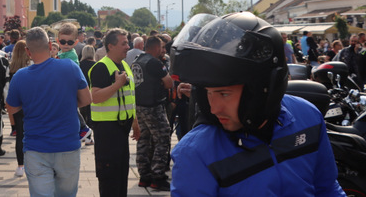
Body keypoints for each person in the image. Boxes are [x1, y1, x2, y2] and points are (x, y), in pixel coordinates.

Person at [170, 12, 345, 196]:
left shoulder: (307, 116)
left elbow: (327, 188)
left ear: (262, 89)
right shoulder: (195, 153)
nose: (214, 108)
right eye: (208, 93)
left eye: (224, 94)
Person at [6, 27, 91, 196]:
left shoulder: (20, 76)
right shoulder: (70, 67)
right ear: (51, 45)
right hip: (67, 145)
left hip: (36, 147)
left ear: (28, 51)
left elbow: (12, 108)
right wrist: (65, 101)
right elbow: (86, 99)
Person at [88, 28, 140, 197]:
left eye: (128, 43)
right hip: (107, 131)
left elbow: (128, 97)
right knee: (109, 178)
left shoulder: (124, 65)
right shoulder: (101, 67)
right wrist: (117, 85)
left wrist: (135, 122)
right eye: (124, 43)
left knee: (121, 175)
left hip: (121, 129)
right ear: (110, 46)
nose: (128, 47)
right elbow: (95, 97)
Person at [131, 36, 173, 191]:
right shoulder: (155, 62)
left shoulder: (137, 60)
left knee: (144, 139)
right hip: (153, 106)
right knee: (162, 138)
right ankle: (158, 175)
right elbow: (169, 83)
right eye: (161, 47)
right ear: (156, 47)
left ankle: (144, 175)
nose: (163, 50)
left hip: (139, 105)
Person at [7, 40, 31, 177]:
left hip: (16, 103)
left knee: (20, 135)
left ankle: (20, 166)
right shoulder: (31, 66)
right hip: (31, 103)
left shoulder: (11, 67)